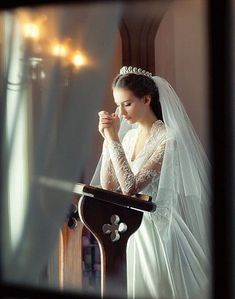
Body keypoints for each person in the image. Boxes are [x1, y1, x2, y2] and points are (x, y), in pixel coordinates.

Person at [95, 66, 210, 299]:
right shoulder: (129, 137)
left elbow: (130, 187)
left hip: (157, 233)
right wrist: (109, 141)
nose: (120, 112)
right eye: (117, 104)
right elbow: (109, 185)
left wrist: (113, 138)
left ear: (146, 99)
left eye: (127, 103)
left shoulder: (168, 139)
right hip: (132, 232)